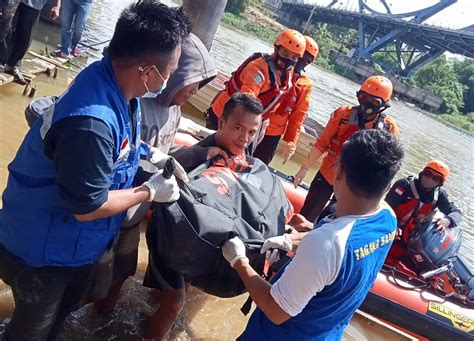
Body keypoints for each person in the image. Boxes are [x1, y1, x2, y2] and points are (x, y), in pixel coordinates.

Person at [0, 2, 189, 339]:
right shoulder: (90, 122)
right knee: (30, 332)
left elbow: (120, 146)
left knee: (59, 319)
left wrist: (150, 153)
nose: (170, 78)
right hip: (41, 251)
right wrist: (148, 192)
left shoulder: (115, 83)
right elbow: (87, 207)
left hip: (71, 246)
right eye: (170, 70)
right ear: (146, 71)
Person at [221, 129, 405, 339]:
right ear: (388, 185)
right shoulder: (388, 219)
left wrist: (239, 261)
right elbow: (337, 258)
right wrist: (293, 241)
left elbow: (276, 310)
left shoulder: (327, 243)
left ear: (339, 171)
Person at [90, 32, 220, 313]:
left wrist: (199, 152)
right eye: (194, 82)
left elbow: (167, 151)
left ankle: (99, 318)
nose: (196, 91)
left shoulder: (174, 111)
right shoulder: (135, 99)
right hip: (107, 208)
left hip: (134, 214)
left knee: (121, 273)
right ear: (172, 75)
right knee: (90, 278)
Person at [142, 92, 266, 340]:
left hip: (199, 239)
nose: (245, 138)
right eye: (238, 128)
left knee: (170, 292)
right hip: (170, 234)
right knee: (174, 303)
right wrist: (200, 155)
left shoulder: (243, 160)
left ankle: (145, 311)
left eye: (252, 132)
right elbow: (170, 161)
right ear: (221, 123)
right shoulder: (202, 153)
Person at [294, 75, 400, 222]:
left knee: (334, 220)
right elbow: (323, 142)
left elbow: (387, 165)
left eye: (374, 102)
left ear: (383, 105)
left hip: (355, 184)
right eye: (364, 98)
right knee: (307, 213)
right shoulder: (343, 115)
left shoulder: (388, 129)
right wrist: (305, 167)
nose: (367, 105)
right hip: (328, 173)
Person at [204, 29, 306, 157]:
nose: (289, 60)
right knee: (214, 155)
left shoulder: (287, 73)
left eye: (294, 57)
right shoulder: (258, 69)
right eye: (285, 53)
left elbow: (273, 102)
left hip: (247, 122)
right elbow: (247, 101)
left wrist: (263, 124)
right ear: (277, 49)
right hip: (225, 117)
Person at [254, 35, 318, 165]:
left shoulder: (304, 84)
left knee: (258, 167)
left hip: (272, 133)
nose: (302, 61)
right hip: (252, 122)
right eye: (301, 56)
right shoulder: (266, 66)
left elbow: (298, 116)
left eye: (307, 60)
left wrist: (291, 142)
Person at [385, 160, 463, 260]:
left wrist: (447, 221)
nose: (429, 179)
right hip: (390, 229)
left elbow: (456, 212)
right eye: (428, 174)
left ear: (440, 182)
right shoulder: (404, 185)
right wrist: (392, 227)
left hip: (411, 240)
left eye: (435, 178)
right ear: (422, 173)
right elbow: (386, 207)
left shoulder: (439, 195)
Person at [0, 0, 60, 85]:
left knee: (25, 36)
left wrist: (57, 5)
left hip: (35, 4)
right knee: (4, 28)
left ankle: (11, 65)